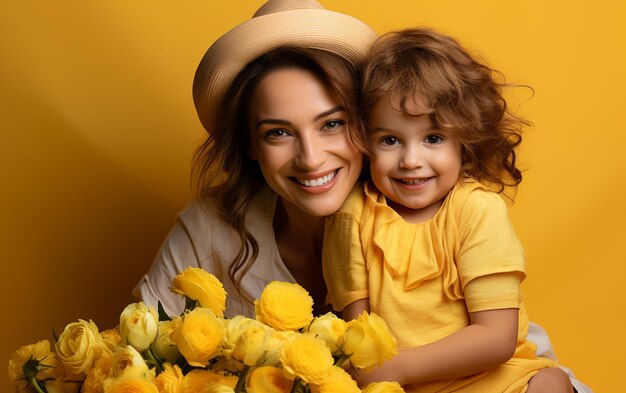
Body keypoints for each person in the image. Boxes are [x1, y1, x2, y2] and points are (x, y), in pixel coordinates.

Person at [133, 1, 591, 391]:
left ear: (362, 123)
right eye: (278, 132)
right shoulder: (213, 229)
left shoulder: (437, 207)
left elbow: (504, 342)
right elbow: (135, 353)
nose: (311, 158)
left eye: (331, 123)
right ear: (250, 144)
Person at [322, 27, 584, 393]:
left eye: (433, 138)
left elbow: (497, 338)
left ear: (466, 140)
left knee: (550, 383)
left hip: (494, 377)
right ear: (365, 142)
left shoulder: (476, 209)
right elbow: (358, 334)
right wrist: (381, 373)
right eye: (390, 140)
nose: (411, 160)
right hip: (401, 386)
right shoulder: (352, 216)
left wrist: (399, 368)